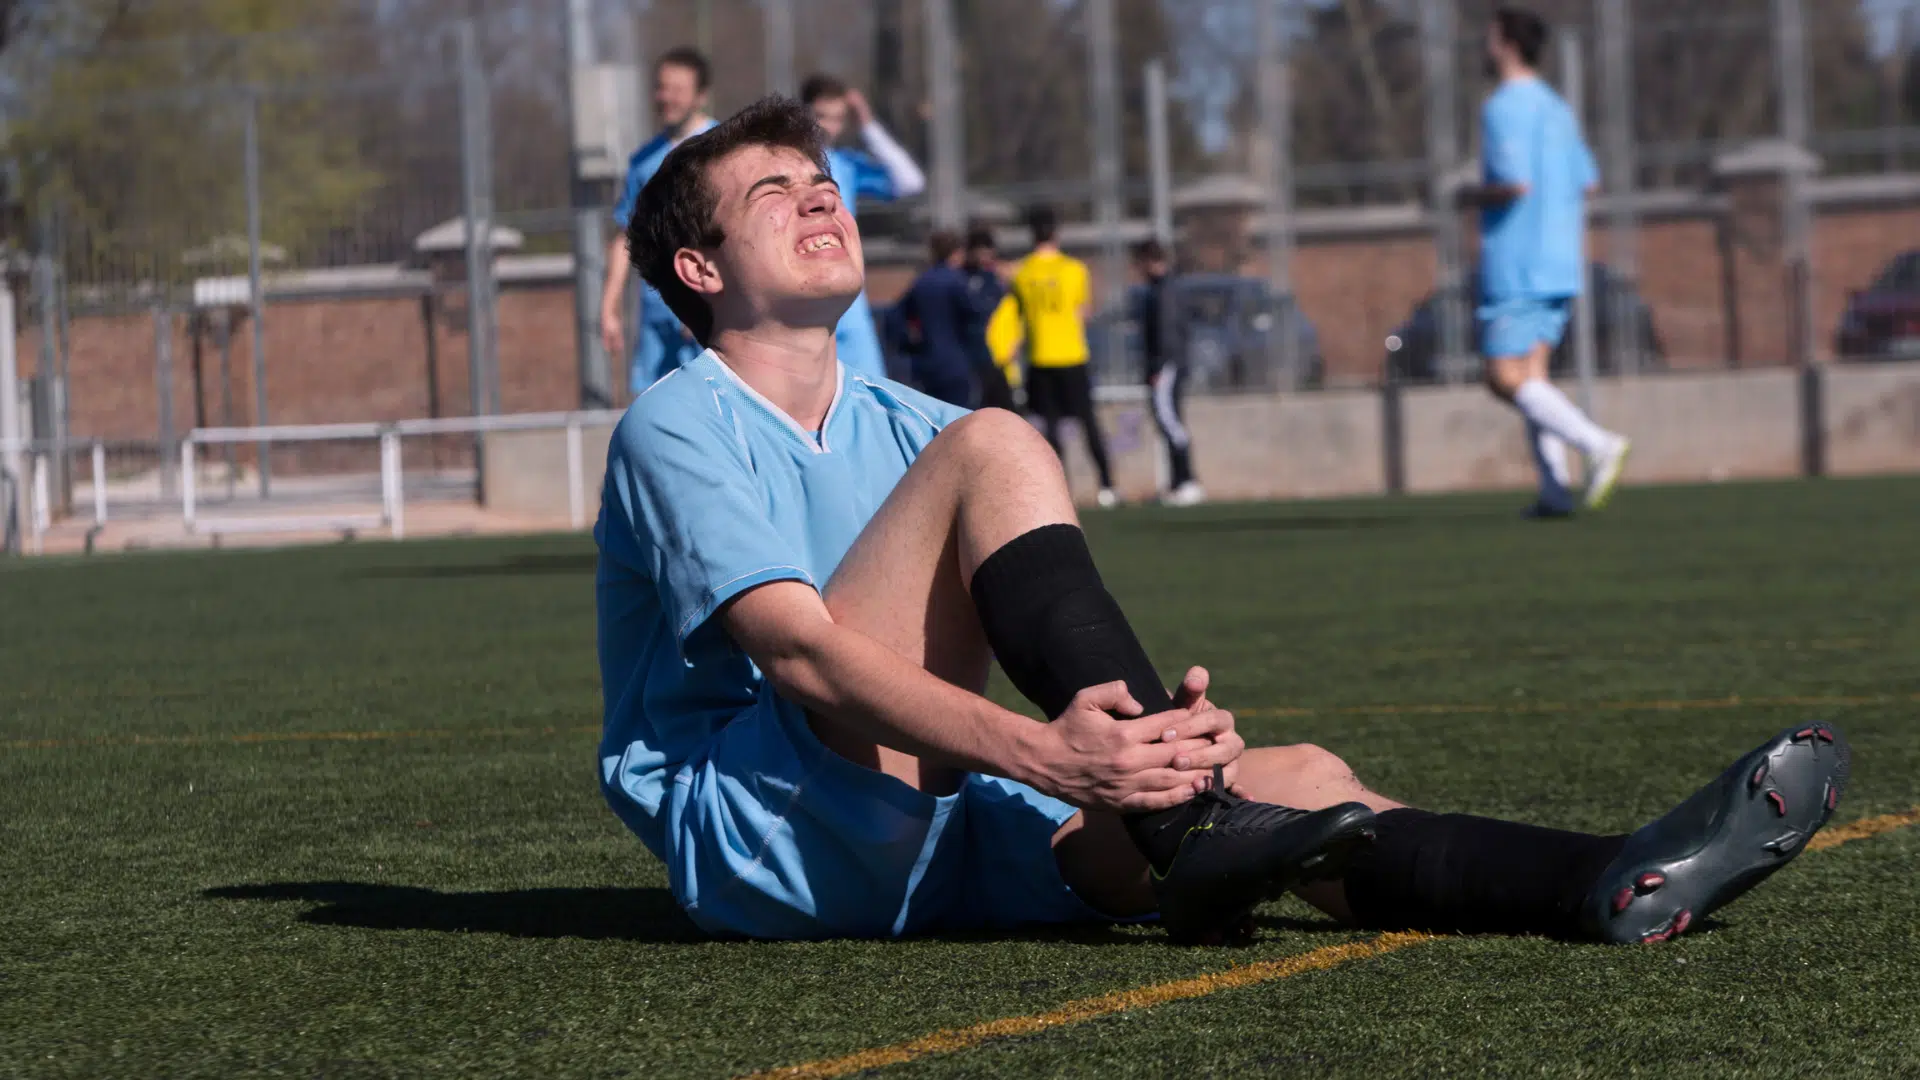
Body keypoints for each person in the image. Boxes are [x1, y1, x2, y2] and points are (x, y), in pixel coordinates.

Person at [598, 96, 1853, 948]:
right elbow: (802, 653)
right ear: (699, 270)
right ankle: (1180, 818)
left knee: (1302, 786)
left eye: (827, 182)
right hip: (767, 833)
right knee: (998, 443)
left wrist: (1153, 748)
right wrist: (1054, 757)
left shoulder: (908, 419)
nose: (823, 201)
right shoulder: (677, 421)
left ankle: (1602, 881)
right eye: (775, 192)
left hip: (942, 830)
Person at [1466, 6, 1630, 518]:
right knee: (1532, 375)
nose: (1485, 49)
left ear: (1507, 46)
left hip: (1519, 260)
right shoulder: (1558, 108)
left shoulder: (1503, 107)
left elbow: (1514, 183)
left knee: (1502, 377)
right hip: (1561, 257)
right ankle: (1554, 492)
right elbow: (1588, 181)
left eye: (1491, 40)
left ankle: (1598, 444)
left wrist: (1466, 197)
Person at [602, 47, 718, 393]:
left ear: (701, 96)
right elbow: (627, 236)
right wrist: (609, 307)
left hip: (712, 313)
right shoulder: (642, 160)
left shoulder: (723, 149)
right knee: (651, 411)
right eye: (661, 88)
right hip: (656, 315)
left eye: (677, 90)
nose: (666, 98)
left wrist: (704, 299)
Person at [801, 74, 926, 383]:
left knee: (868, 389)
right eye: (820, 116)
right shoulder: (784, 163)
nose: (828, 126)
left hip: (848, 298)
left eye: (838, 118)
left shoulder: (846, 164)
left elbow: (910, 181)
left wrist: (867, 124)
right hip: (802, 294)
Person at [1009, 206, 1117, 508]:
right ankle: (1108, 486)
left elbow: (1016, 315)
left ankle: (1060, 490)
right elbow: (1084, 311)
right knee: (1088, 422)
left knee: (1050, 428)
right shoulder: (1075, 269)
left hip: (1040, 359)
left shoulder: (1022, 273)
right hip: (1072, 355)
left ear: (1032, 235)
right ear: (1056, 234)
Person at [1133, 240, 1204, 507]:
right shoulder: (1163, 288)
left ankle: (1187, 481)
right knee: (1168, 420)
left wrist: (1158, 366)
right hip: (1169, 363)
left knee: (1170, 421)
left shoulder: (1164, 290)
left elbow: (1165, 331)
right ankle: (1178, 483)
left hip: (1167, 365)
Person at [896, 230, 979, 408]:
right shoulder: (958, 281)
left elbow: (896, 317)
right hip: (956, 362)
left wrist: (909, 345)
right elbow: (975, 316)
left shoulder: (921, 282)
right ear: (956, 252)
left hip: (927, 363)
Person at [962, 224, 1017, 412]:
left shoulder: (996, 280)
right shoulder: (964, 279)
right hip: (974, 356)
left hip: (996, 356)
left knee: (1006, 410)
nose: (984, 256)